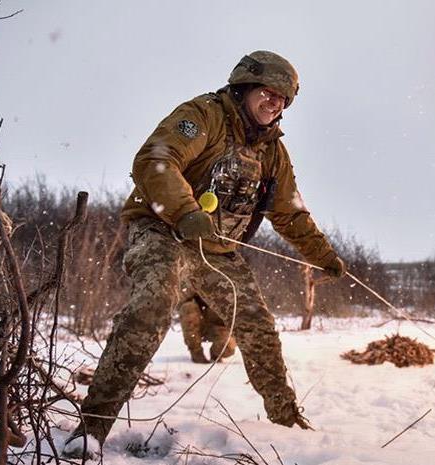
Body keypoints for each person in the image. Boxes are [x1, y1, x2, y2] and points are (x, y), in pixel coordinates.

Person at [63, 50, 345, 458]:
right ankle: (90, 429)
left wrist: (323, 255)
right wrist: (186, 211)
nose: (275, 104)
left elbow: (290, 212)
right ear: (245, 87)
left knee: (259, 328)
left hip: (217, 252)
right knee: (153, 306)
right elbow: (156, 160)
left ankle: (288, 423)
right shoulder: (204, 115)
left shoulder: (273, 153)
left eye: (283, 100)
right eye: (268, 92)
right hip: (164, 231)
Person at [178, 297, 237, 363]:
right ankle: (196, 352)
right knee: (188, 307)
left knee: (228, 345)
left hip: (219, 327)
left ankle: (216, 353)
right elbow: (183, 297)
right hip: (201, 322)